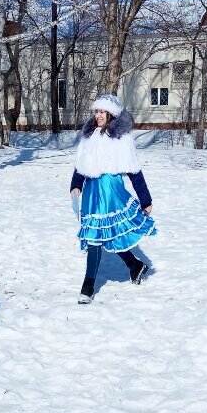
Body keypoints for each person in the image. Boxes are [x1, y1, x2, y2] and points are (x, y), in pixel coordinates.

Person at [70, 94, 156, 304]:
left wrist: (145, 200)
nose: (98, 115)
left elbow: (134, 170)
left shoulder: (121, 138)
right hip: (91, 191)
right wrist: (76, 185)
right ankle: (135, 265)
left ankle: (88, 286)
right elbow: (81, 164)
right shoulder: (88, 135)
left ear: (111, 113)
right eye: (96, 111)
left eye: (103, 112)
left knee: (100, 236)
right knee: (102, 234)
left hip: (110, 192)